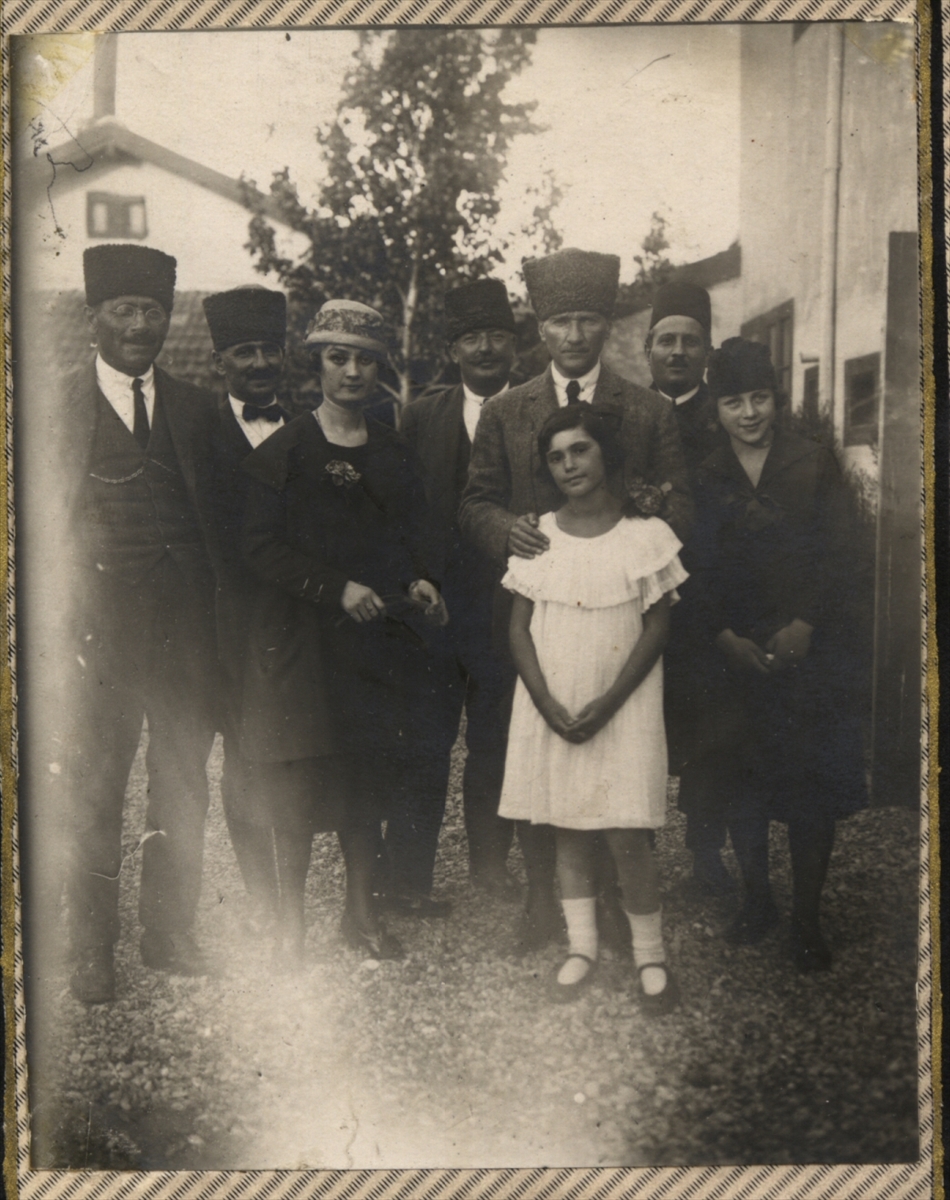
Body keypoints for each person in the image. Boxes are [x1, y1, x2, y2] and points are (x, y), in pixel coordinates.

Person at [460, 246, 692, 955]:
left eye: (588, 319)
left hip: (617, 613)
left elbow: (681, 503)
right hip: (538, 612)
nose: (574, 335)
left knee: (617, 756)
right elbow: (474, 501)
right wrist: (508, 530)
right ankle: (543, 899)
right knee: (538, 753)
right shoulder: (507, 409)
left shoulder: (646, 410)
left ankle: (617, 904)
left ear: (607, 325)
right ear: (541, 328)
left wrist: (638, 514)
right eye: (561, 322)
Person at [241, 299, 447, 959]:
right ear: (318, 364)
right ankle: (291, 928)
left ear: (378, 367)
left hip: (373, 643)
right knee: (301, 786)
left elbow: (408, 538)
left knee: (368, 776)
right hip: (303, 643)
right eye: (338, 358)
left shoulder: (394, 450)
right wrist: (336, 588)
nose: (352, 372)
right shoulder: (285, 451)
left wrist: (419, 580)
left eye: (364, 360)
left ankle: (359, 917)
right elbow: (257, 546)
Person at [61, 245, 219, 1004]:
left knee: (183, 781)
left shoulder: (197, 407)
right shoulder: (53, 405)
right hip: (98, 632)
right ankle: (92, 949)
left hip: (185, 631)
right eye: (123, 309)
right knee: (95, 785)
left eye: (152, 310)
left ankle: (170, 933)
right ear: (93, 316)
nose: (138, 325)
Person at [680, 338, 868, 971]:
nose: (749, 413)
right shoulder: (707, 475)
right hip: (735, 657)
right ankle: (756, 900)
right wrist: (723, 637)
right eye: (733, 402)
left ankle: (806, 919)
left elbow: (843, 554)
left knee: (808, 786)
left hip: (808, 653)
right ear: (716, 408)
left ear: (776, 397)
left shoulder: (813, 462)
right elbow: (695, 567)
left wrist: (805, 624)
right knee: (743, 783)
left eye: (759, 397)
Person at [499, 405, 685, 1012]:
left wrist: (608, 704)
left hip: (622, 707)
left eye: (580, 450)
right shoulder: (539, 537)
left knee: (626, 833)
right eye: (556, 457)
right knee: (569, 830)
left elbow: (657, 628)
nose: (569, 465)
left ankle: (650, 955)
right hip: (553, 706)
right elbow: (518, 629)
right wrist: (546, 703)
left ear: (607, 452)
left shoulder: (644, 536)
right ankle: (581, 948)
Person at [400, 279, 522, 899]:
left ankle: (490, 869)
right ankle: (411, 878)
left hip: (509, 610)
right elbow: (398, 509)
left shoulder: (533, 409)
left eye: (497, 335)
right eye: (472, 338)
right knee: (426, 743)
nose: (485, 349)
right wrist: (415, 581)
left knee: (496, 742)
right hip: (438, 612)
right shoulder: (422, 416)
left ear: (514, 345)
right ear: (453, 350)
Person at [201, 285, 292, 931]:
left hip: (303, 618)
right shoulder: (197, 434)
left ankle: (299, 890)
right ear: (219, 362)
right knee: (245, 755)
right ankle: (262, 894)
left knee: (303, 750)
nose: (259, 363)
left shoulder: (308, 427)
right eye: (244, 352)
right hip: (232, 623)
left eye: (269, 349)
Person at [645, 281, 735, 897]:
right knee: (639, 731)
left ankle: (706, 856)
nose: (678, 351)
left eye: (691, 341)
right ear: (648, 349)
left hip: (710, 602)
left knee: (711, 735)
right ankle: (636, 857)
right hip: (640, 604)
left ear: (706, 351)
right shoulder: (625, 414)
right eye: (666, 340)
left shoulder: (725, 417)